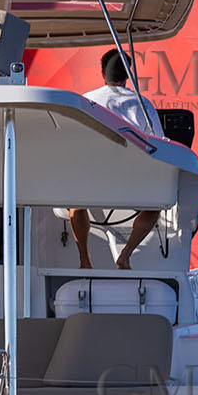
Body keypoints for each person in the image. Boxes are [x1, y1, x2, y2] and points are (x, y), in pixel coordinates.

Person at [71, 48, 163, 270]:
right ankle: (125, 255)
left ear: (103, 72)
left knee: (75, 205)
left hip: (90, 184)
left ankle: (84, 260)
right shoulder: (141, 103)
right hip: (129, 186)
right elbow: (159, 143)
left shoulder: (86, 100)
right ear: (128, 74)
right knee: (156, 207)